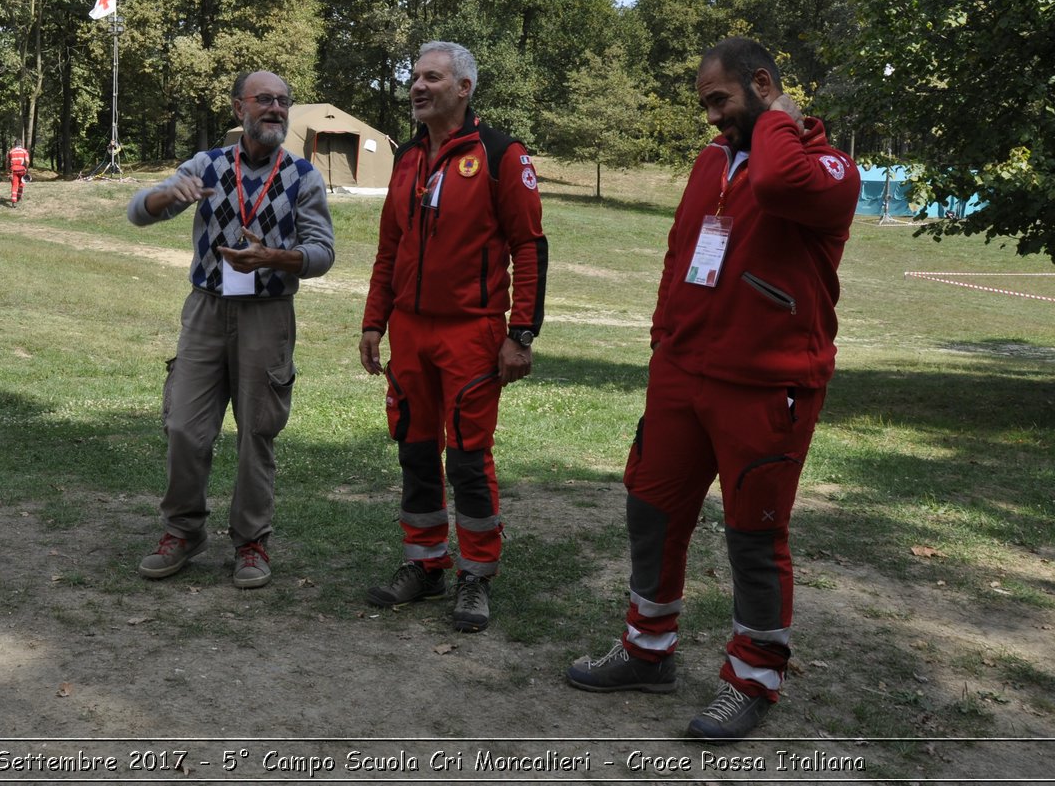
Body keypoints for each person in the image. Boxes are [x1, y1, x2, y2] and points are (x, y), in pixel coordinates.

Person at [566, 37, 860, 743]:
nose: (710, 118)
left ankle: (753, 678)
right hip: (683, 372)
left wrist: (779, 121)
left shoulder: (829, 168)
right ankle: (647, 649)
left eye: (720, 100)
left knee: (753, 535)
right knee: (651, 510)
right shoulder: (709, 161)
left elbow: (779, 185)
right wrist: (665, 335)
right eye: (705, 103)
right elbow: (682, 248)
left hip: (767, 385)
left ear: (764, 84)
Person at [359, 41, 546, 633]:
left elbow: (529, 246)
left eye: (431, 78)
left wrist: (520, 334)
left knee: (466, 456)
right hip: (410, 334)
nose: (417, 86)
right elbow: (390, 248)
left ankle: (476, 575)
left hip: (473, 333)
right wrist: (373, 321)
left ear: (463, 88)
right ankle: (425, 564)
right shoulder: (407, 157)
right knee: (415, 448)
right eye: (414, 77)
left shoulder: (500, 154)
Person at [127, 70, 334, 589]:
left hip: (268, 315)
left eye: (283, 101)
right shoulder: (210, 166)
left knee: (257, 433)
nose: (276, 109)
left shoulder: (303, 176)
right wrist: (164, 196)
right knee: (183, 426)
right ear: (239, 108)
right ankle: (183, 531)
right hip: (205, 310)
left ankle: (251, 543)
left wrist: (275, 258)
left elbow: (322, 253)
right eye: (264, 100)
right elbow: (140, 212)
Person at [7, 141, 30, 207]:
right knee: (21, 183)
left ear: (14, 144)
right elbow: (27, 161)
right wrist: (26, 168)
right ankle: (19, 197)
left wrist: (8, 170)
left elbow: (7, 162)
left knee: (14, 185)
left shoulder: (11, 151)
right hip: (22, 169)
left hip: (13, 170)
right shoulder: (24, 151)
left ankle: (13, 201)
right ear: (21, 144)